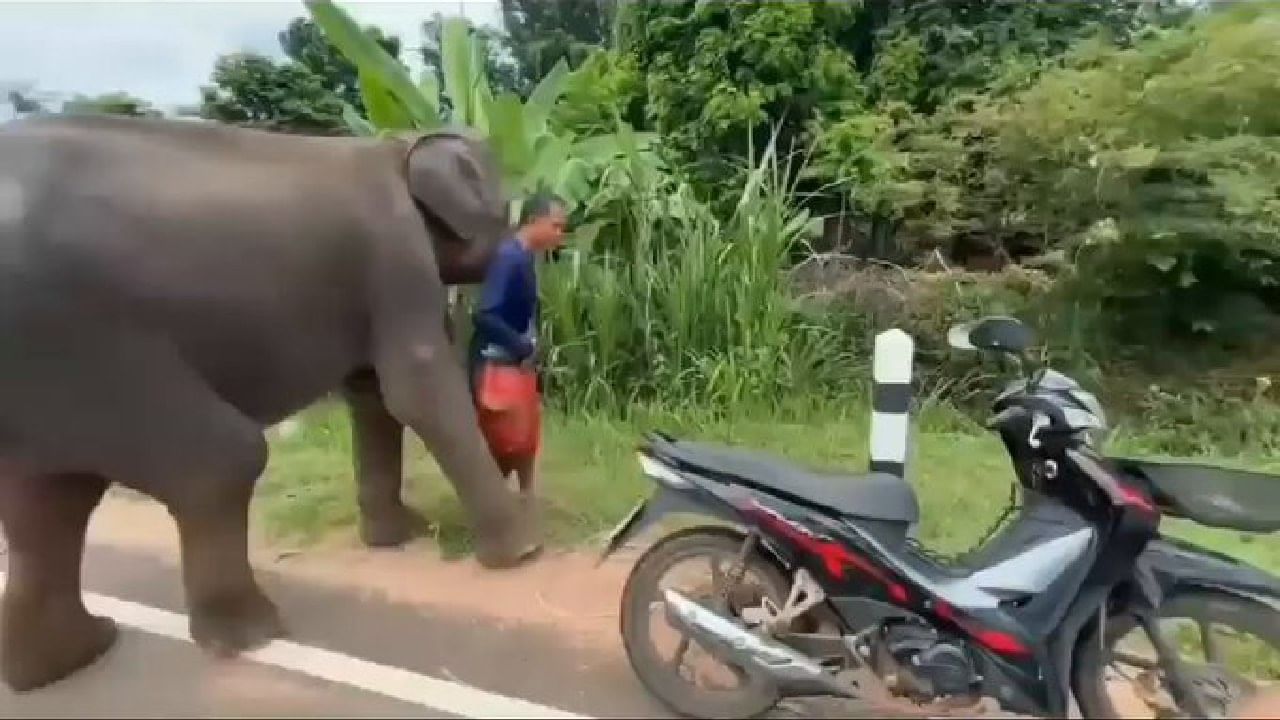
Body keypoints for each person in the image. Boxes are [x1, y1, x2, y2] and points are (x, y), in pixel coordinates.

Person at [469, 192, 568, 503]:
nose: (559, 235)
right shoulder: (509, 258)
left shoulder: (523, 256)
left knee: (524, 436)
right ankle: (492, 503)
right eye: (555, 226)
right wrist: (521, 345)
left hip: (516, 361)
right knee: (508, 440)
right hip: (497, 362)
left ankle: (523, 496)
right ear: (533, 221)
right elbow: (483, 314)